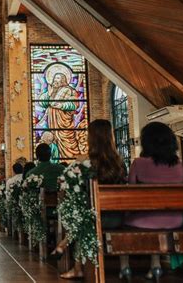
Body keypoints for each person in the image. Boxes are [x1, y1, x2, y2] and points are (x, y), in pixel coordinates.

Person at [53, 119, 127, 280]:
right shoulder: (120, 163)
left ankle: (74, 261)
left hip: (96, 218)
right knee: (85, 216)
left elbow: (76, 193)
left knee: (83, 217)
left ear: (90, 138)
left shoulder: (85, 163)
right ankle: (65, 247)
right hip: (118, 216)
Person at [122, 122, 183, 282]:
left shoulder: (138, 163)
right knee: (156, 217)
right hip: (175, 220)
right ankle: (155, 266)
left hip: (145, 220)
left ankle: (125, 267)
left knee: (121, 222)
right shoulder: (179, 166)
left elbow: (130, 192)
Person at [38, 63, 83, 158]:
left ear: (63, 79)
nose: (55, 80)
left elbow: (75, 104)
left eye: (58, 78)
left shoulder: (69, 90)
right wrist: (49, 94)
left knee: (67, 141)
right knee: (54, 139)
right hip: (52, 121)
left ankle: (70, 159)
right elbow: (42, 103)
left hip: (64, 121)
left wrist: (61, 105)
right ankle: (54, 157)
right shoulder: (51, 91)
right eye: (54, 78)